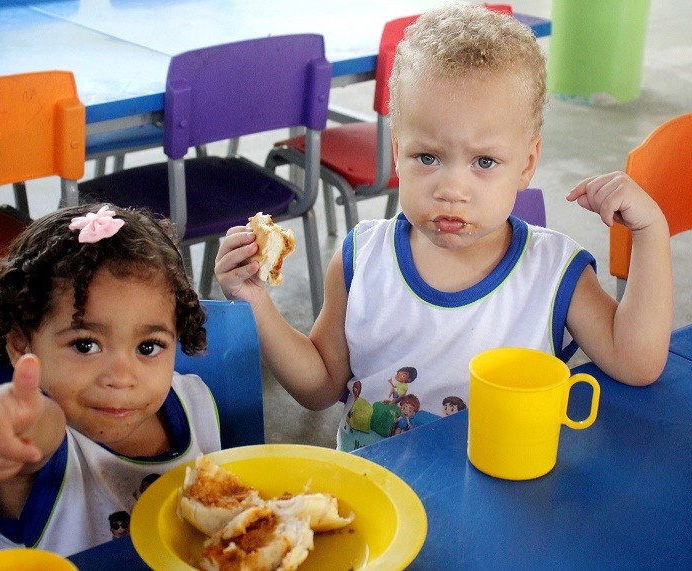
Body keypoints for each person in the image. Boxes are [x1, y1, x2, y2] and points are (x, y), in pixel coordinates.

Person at [214, 5, 672, 451]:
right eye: (428, 157)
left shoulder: (555, 271)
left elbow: (636, 363)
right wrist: (256, 300)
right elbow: (318, 388)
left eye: (485, 162)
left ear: (528, 162)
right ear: (397, 151)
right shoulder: (361, 258)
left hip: (499, 502)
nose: (452, 188)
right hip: (379, 504)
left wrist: (650, 232)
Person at [0, 204, 220, 556]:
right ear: (22, 346)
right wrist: (4, 422)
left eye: (148, 346)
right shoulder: (44, 450)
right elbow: (34, 432)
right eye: (86, 345)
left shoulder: (194, 401)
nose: (121, 378)